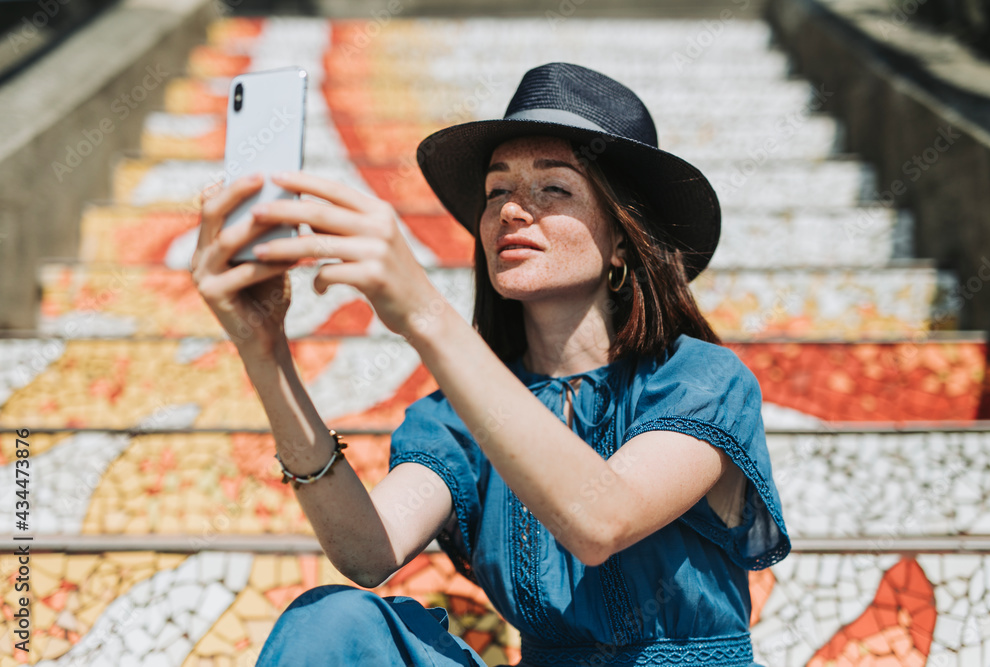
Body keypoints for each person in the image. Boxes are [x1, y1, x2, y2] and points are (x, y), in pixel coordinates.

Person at [192, 62, 791, 667]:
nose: (510, 211)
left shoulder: (701, 380)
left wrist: (426, 314)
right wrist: (265, 353)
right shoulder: (459, 415)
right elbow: (369, 551)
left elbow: (602, 520)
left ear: (620, 241)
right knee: (332, 621)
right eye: (496, 191)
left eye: (554, 188)